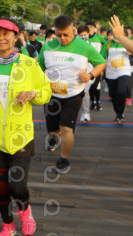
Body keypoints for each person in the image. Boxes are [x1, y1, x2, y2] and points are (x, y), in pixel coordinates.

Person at [0, 19, 51, 236]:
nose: (1, 38)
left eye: (6, 34)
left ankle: (25, 211)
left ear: (16, 37)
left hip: (21, 136)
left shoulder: (29, 64)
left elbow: (46, 92)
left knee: (17, 187)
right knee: (0, 189)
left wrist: (33, 94)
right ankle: (8, 224)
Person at [39, 16, 106, 173]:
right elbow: (39, 67)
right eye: (59, 34)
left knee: (66, 127)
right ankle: (54, 137)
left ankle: (63, 159)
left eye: (66, 35)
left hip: (73, 94)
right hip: (51, 94)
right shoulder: (47, 47)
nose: (62, 38)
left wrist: (90, 75)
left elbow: (101, 63)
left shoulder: (84, 46)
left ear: (73, 30)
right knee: (53, 129)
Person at [101, 28, 133, 123]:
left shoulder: (127, 42)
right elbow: (102, 57)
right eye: (113, 34)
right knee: (114, 94)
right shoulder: (107, 44)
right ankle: (118, 113)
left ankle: (121, 113)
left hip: (124, 71)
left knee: (121, 91)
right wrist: (101, 69)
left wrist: (131, 52)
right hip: (111, 73)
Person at [86, 21, 107, 111]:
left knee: (96, 85)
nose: (89, 28)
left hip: (97, 65)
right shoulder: (84, 38)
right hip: (87, 66)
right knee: (90, 86)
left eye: (91, 27)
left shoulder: (100, 37)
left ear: (95, 28)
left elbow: (106, 46)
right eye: (88, 27)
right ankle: (93, 102)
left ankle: (98, 101)